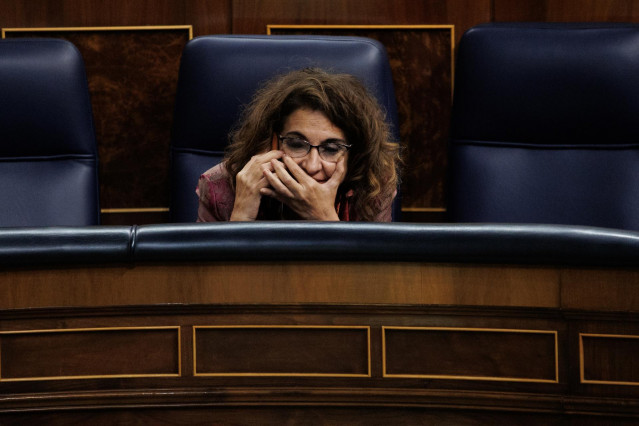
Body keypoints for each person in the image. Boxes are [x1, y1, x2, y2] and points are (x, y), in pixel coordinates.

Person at [196, 67, 400, 222]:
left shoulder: (373, 186)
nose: (311, 166)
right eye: (296, 144)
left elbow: (370, 278)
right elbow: (211, 278)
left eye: (331, 149)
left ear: (355, 152)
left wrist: (326, 218)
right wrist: (241, 215)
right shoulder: (220, 186)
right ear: (272, 140)